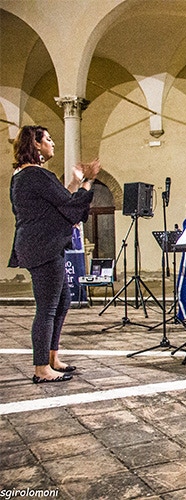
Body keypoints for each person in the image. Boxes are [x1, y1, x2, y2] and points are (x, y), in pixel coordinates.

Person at [9, 125, 101, 383]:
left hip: (39, 244)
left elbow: (60, 200)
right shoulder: (36, 174)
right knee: (47, 308)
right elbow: (70, 204)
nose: (53, 143)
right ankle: (41, 369)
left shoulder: (23, 176)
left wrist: (74, 182)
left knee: (62, 302)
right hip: (43, 246)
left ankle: (52, 358)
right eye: (48, 139)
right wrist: (87, 181)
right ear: (35, 144)